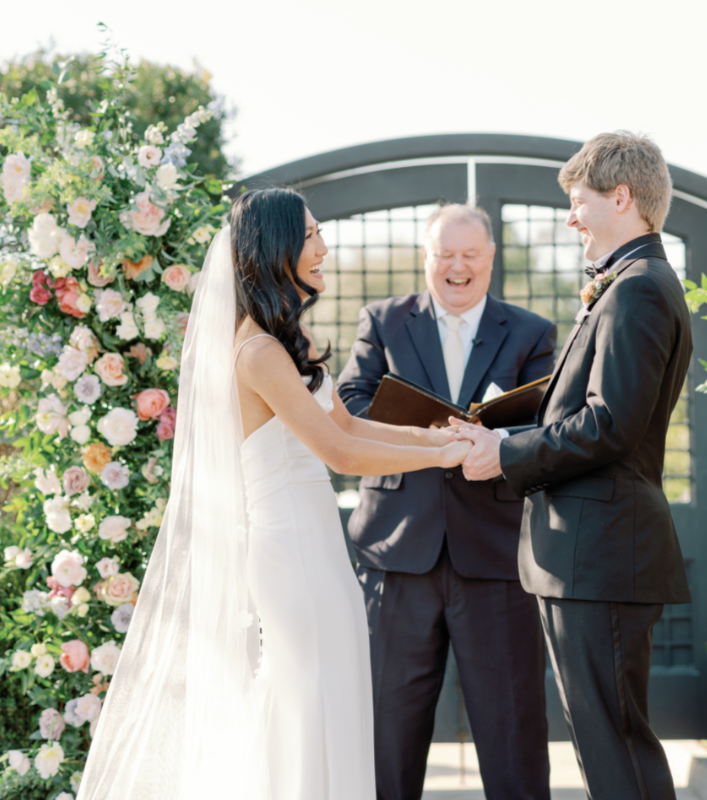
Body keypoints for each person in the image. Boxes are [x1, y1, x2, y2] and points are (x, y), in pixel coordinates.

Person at [77, 188, 470, 800]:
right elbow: (337, 454)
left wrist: (433, 435)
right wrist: (444, 456)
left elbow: (348, 423)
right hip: (289, 552)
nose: (323, 247)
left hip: (318, 549)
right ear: (274, 247)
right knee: (302, 700)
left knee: (331, 692)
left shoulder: (289, 342)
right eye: (310, 236)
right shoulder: (256, 351)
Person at [453, 132, 694, 800]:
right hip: (592, 553)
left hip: (602, 554)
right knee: (605, 742)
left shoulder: (638, 289)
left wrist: (506, 453)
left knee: (614, 743)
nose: (570, 218)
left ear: (621, 197)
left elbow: (608, 425)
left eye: (579, 202)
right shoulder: (630, 283)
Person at [337, 203, 557, 800]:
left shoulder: (533, 333)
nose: (456, 268)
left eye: (470, 255)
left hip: (495, 557)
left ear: (490, 259)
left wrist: (494, 442)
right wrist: (426, 439)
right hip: (394, 552)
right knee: (387, 731)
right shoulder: (382, 321)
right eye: (444, 255)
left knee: (513, 728)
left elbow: (544, 425)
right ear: (425, 258)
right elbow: (350, 404)